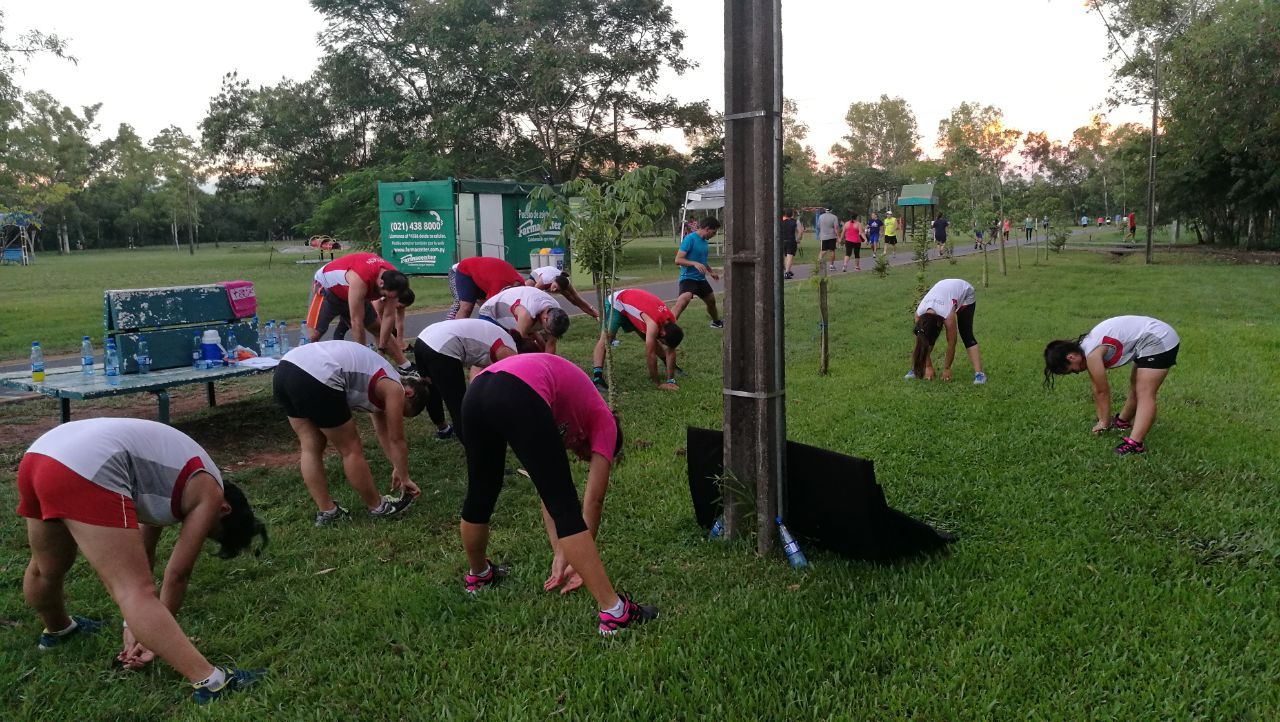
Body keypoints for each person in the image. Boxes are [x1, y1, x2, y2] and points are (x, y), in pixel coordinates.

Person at [16, 418, 267, 704]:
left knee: (46, 566)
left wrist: (133, 627)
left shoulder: (171, 479)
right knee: (135, 590)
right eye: (212, 531)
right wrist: (149, 639)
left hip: (42, 455)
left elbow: (145, 551)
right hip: (88, 464)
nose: (200, 533)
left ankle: (59, 629)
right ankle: (210, 682)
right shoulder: (211, 492)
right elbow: (177, 574)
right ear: (224, 510)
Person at [458, 353, 658, 634]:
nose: (582, 458)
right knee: (566, 506)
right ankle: (615, 612)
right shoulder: (604, 422)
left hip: (477, 392)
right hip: (517, 389)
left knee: (481, 494)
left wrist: (561, 552)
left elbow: (546, 488)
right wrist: (575, 562)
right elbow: (593, 501)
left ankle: (478, 575)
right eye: (589, 456)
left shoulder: (569, 413)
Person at [273, 340, 428, 525]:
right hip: (318, 373)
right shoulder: (395, 388)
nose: (394, 413)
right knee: (351, 448)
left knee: (310, 446)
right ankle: (378, 507)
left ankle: (328, 512)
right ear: (408, 393)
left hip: (285, 370)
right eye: (401, 411)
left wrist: (397, 466)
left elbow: (384, 433)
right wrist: (404, 476)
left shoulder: (380, 383)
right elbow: (397, 439)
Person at [1042, 316, 1180, 455]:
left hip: (1159, 338)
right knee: (1135, 387)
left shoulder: (1091, 354)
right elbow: (1097, 388)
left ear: (1071, 357)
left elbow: (1102, 391)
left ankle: (1135, 444)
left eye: (1072, 370)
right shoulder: (1086, 348)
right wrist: (1103, 419)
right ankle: (1122, 422)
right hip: (1150, 337)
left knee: (1145, 392)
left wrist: (1103, 421)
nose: (1077, 372)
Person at [413, 318, 520, 444]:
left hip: (424, 338)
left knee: (431, 387)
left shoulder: (501, 339)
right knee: (457, 403)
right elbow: (510, 385)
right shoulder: (509, 352)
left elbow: (476, 374)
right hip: (443, 346)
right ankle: (472, 444)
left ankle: (443, 429)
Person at [305, 252, 412, 371]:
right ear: (381, 284)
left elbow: (388, 317)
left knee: (377, 327)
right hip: (328, 290)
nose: (389, 299)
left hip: (355, 293)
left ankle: (406, 367)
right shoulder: (360, 279)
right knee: (313, 335)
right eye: (386, 296)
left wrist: (381, 349)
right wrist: (363, 363)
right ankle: (304, 365)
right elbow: (357, 323)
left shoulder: (395, 280)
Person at [591, 288, 684, 391]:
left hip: (634, 306)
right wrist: (658, 384)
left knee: (650, 338)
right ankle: (597, 379)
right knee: (606, 339)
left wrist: (670, 380)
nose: (662, 343)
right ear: (663, 333)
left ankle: (671, 367)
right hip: (617, 303)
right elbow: (650, 355)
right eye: (663, 342)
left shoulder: (671, 320)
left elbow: (671, 349)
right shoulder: (653, 325)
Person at [905, 278, 985, 384]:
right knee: (923, 337)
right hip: (945, 290)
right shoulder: (919, 315)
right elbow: (921, 340)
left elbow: (951, 344)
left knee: (966, 334)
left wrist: (947, 368)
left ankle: (979, 374)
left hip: (965, 292)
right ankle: (917, 368)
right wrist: (928, 366)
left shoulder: (948, 316)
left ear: (939, 325)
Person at [477, 285, 571, 354]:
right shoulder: (526, 314)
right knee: (492, 354)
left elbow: (550, 344)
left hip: (516, 316)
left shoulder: (555, 313)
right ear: (545, 318)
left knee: (537, 351)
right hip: (491, 313)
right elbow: (517, 347)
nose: (549, 334)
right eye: (548, 330)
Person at [672, 217, 724, 328]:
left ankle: (716, 322)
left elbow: (702, 261)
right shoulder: (689, 239)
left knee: (711, 301)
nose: (714, 235)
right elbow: (678, 260)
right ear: (707, 229)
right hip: (688, 278)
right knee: (684, 300)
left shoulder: (704, 242)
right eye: (713, 232)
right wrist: (694, 263)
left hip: (701, 279)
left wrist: (711, 272)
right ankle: (667, 326)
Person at [447, 256, 525, 321]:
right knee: (465, 306)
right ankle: (451, 329)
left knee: (486, 306)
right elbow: (489, 310)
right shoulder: (498, 286)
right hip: (461, 270)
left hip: (481, 276)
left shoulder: (520, 283)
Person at [526, 265, 599, 318]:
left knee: (574, 301)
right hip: (537, 274)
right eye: (555, 287)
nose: (553, 290)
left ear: (563, 289)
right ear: (553, 281)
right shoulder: (544, 281)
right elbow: (533, 294)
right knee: (527, 289)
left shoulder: (567, 283)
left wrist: (591, 309)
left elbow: (577, 297)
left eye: (558, 290)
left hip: (554, 275)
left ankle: (595, 315)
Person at [816, 208, 840, 273]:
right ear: (831, 210)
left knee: (823, 251)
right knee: (832, 250)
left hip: (823, 236)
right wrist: (838, 237)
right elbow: (836, 227)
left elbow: (818, 226)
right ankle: (831, 266)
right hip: (832, 236)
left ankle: (818, 263)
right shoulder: (834, 217)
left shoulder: (821, 216)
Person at [781, 208, 800, 280]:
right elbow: (800, 231)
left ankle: (787, 270)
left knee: (786, 256)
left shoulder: (781, 221)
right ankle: (786, 273)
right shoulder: (795, 222)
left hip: (783, 241)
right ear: (792, 214)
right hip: (791, 240)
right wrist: (798, 239)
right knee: (790, 256)